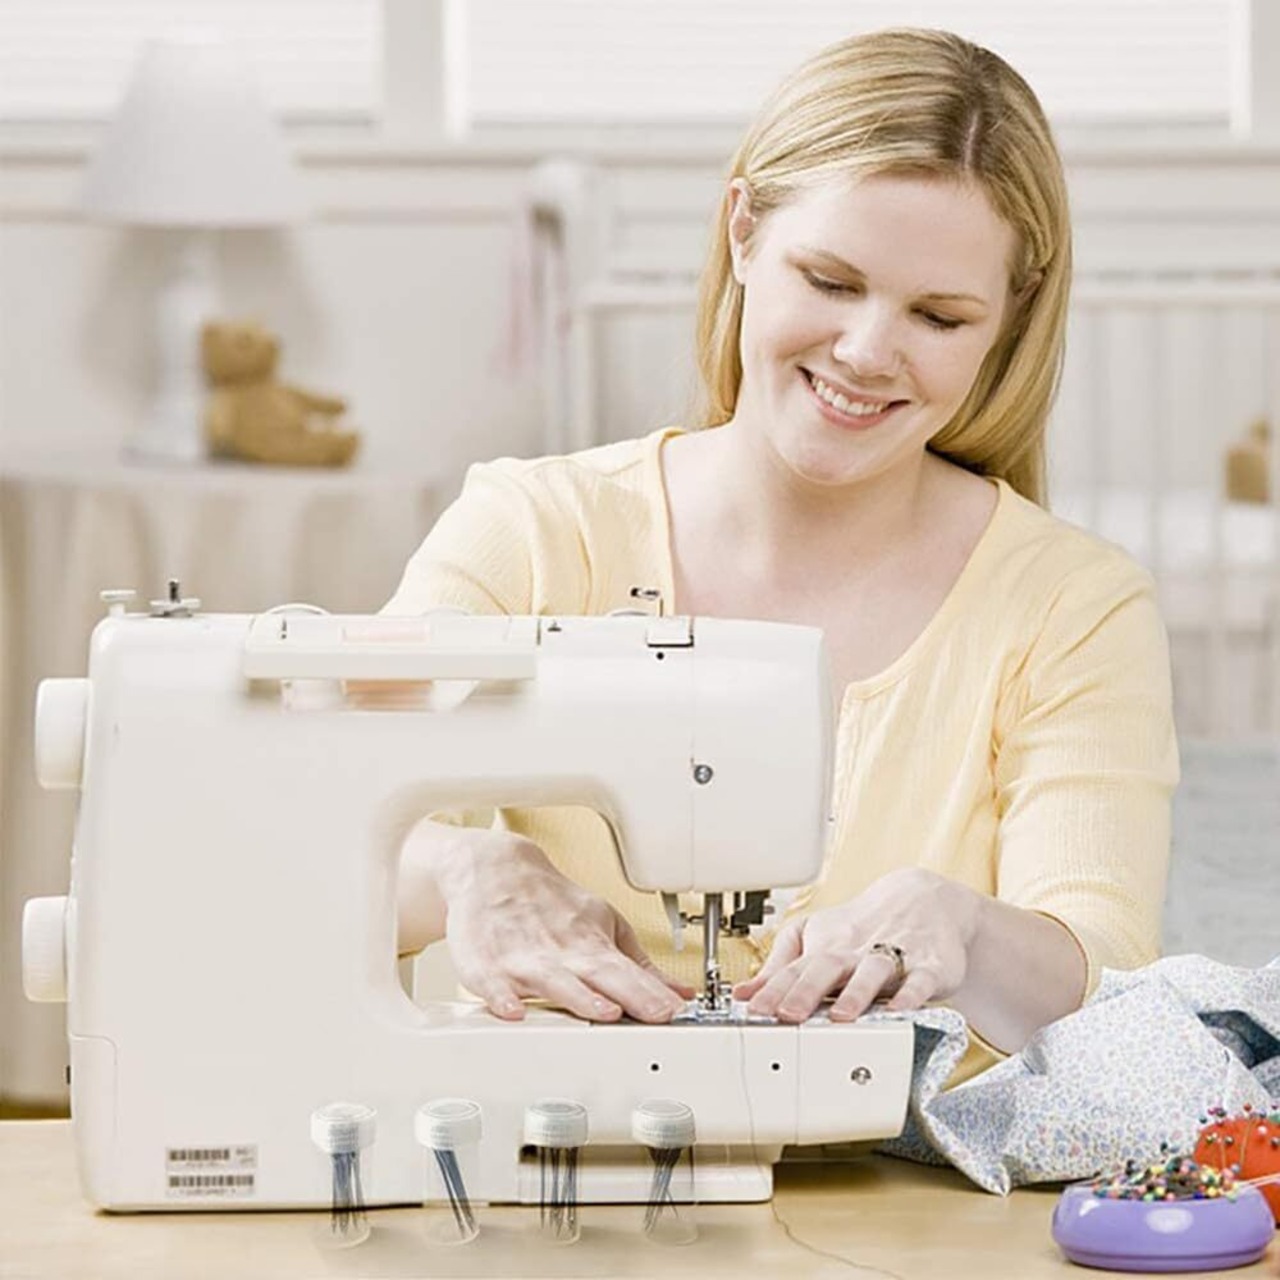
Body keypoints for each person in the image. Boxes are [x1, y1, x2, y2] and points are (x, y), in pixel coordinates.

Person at [387, 27, 1178, 1083]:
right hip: (540, 1152)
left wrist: (967, 929)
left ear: (1006, 321)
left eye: (938, 316)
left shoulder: (1073, 605)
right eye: (831, 280)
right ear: (744, 231)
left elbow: (1109, 971)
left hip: (901, 1181)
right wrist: (463, 867)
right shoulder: (529, 532)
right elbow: (307, 825)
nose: (866, 351)